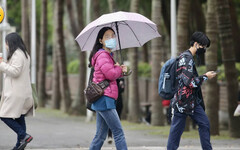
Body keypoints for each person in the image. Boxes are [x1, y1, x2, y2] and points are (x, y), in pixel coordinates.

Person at [167, 32, 217, 150]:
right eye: (203, 46)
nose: (204, 49)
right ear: (195, 44)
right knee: (176, 133)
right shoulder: (186, 58)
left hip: (192, 101)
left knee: (204, 123)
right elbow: (189, 82)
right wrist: (205, 76)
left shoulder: (188, 57)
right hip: (183, 102)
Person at [89, 27, 128, 150]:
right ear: (100, 40)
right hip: (105, 99)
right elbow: (111, 74)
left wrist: (120, 70)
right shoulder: (103, 56)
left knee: (100, 136)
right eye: (107, 36)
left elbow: (111, 75)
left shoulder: (107, 56)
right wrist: (119, 69)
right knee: (118, 133)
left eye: (113, 35)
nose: (111, 38)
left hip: (103, 99)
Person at [0, 33, 34, 150]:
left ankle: (23, 135)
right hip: (21, 92)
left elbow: (15, 72)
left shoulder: (18, 54)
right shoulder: (23, 54)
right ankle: (19, 145)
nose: (5, 45)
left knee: (4, 115)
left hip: (16, 93)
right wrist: (5, 63)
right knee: (19, 117)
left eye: (6, 42)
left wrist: (2, 64)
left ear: (10, 42)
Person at [107, 78, 125, 144]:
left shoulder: (121, 78)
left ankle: (116, 137)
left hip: (119, 101)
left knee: (118, 120)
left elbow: (122, 90)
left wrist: (121, 85)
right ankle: (109, 135)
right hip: (111, 101)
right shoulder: (110, 76)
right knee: (110, 119)